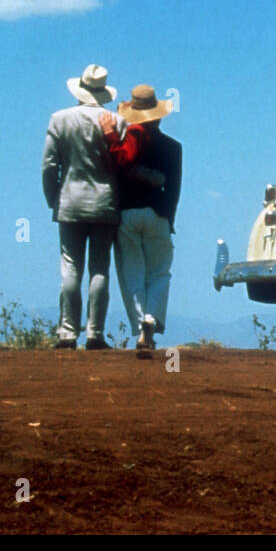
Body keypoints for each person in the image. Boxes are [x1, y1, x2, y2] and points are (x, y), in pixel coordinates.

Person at [42, 64, 125, 349]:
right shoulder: (116, 120)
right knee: (100, 268)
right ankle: (95, 333)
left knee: (70, 267)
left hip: (70, 201)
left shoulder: (59, 119)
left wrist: (53, 198)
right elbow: (122, 165)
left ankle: (67, 332)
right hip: (105, 202)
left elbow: (49, 165)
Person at [98, 85, 181, 358]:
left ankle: (140, 323)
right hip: (158, 213)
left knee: (131, 272)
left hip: (127, 213)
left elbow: (118, 168)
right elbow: (174, 189)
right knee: (160, 272)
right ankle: (151, 320)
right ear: (158, 116)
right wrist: (169, 219)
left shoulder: (128, 139)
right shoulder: (173, 148)